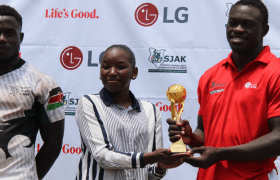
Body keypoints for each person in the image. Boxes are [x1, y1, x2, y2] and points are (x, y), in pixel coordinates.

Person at [167, 0, 280, 179]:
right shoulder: (210, 76)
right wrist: (190, 138)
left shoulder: (279, 75)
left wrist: (221, 153)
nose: (237, 29)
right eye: (233, 23)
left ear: (264, 30)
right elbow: (204, 132)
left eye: (248, 24)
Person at [75, 44, 189, 180]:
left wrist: (161, 166)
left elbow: (151, 173)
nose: (111, 72)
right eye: (105, 67)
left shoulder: (150, 110)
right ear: (100, 73)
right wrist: (151, 157)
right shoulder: (89, 103)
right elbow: (102, 156)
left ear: (134, 73)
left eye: (120, 67)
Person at [0, 5, 65, 180]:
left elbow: (54, 143)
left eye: (10, 33)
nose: (2, 39)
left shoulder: (44, 84)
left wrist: (31, 177)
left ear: (20, 37)